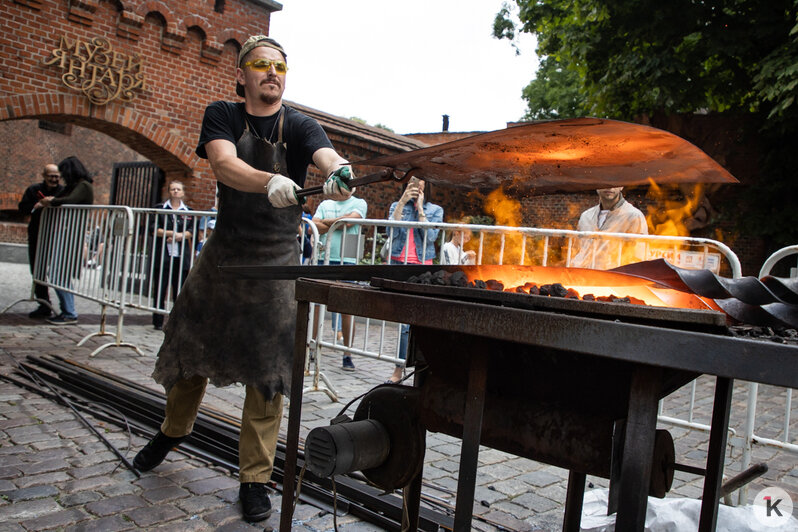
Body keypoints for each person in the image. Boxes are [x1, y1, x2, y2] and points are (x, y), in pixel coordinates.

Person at [131, 34, 352, 523]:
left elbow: (326, 156)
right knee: (189, 350)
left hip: (277, 263)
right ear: (242, 74)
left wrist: (339, 172)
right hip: (224, 257)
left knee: (269, 373)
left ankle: (254, 478)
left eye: (280, 65)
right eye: (260, 63)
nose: (271, 71)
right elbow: (225, 164)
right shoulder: (223, 115)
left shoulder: (299, 124)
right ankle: (173, 429)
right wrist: (268, 179)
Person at [385, 177, 443, 383]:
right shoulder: (396, 205)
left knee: (417, 320)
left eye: (420, 185)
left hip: (420, 267)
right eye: (412, 185)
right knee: (404, 321)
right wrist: (401, 203)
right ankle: (400, 368)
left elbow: (431, 238)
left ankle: (417, 368)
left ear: (427, 187)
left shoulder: (435, 209)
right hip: (398, 264)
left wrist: (420, 210)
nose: (416, 189)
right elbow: (389, 231)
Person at [36, 156, 94, 325]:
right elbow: (62, 198)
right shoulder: (74, 186)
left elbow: (69, 201)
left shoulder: (84, 186)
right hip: (64, 233)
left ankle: (69, 312)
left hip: (71, 234)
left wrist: (52, 201)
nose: (61, 176)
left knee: (57, 274)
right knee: (58, 273)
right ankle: (67, 311)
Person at [312, 194, 368, 371]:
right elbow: (314, 226)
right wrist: (338, 222)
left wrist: (327, 222)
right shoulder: (325, 203)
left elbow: (349, 222)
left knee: (346, 309)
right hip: (324, 257)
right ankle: (312, 346)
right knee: (317, 306)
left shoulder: (359, 202)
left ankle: (347, 353)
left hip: (347, 259)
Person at [18, 164, 63, 318]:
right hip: (37, 234)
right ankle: (43, 304)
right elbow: (22, 208)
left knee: (58, 271)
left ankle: (66, 308)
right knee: (37, 269)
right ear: (44, 175)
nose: (54, 179)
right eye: (51, 176)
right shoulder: (33, 190)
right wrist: (36, 206)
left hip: (57, 235)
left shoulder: (63, 191)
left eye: (57, 176)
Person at [571, 186, 648, 270]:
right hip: (581, 275)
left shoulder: (633, 216)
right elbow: (576, 249)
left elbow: (638, 256)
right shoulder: (586, 216)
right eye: (604, 180)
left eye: (615, 181)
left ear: (621, 186)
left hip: (611, 278)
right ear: (596, 184)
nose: (609, 187)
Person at [151, 180, 193, 331]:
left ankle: (177, 321)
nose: (175, 191)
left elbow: (191, 232)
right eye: (173, 189)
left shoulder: (188, 211)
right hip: (163, 256)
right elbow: (155, 229)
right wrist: (172, 233)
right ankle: (157, 321)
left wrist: (179, 236)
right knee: (160, 289)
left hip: (180, 257)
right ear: (168, 192)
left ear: (183, 193)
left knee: (179, 290)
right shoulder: (160, 209)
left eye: (178, 189)